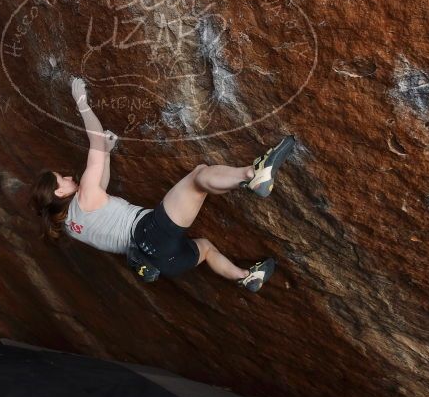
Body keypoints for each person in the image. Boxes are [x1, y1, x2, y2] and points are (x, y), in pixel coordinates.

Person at [31, 78, 296, 292]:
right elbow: (95, 140)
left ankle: (245, 276)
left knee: (204, 247)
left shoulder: (69, 225)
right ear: (59, 192)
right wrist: (82, 105)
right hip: (149, 233)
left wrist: (107, 152)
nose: (68, 177)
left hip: (160, 261)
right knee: (198, 177)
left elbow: (101, 190)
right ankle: (252, 173)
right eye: (62, 179)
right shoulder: (82, 197)